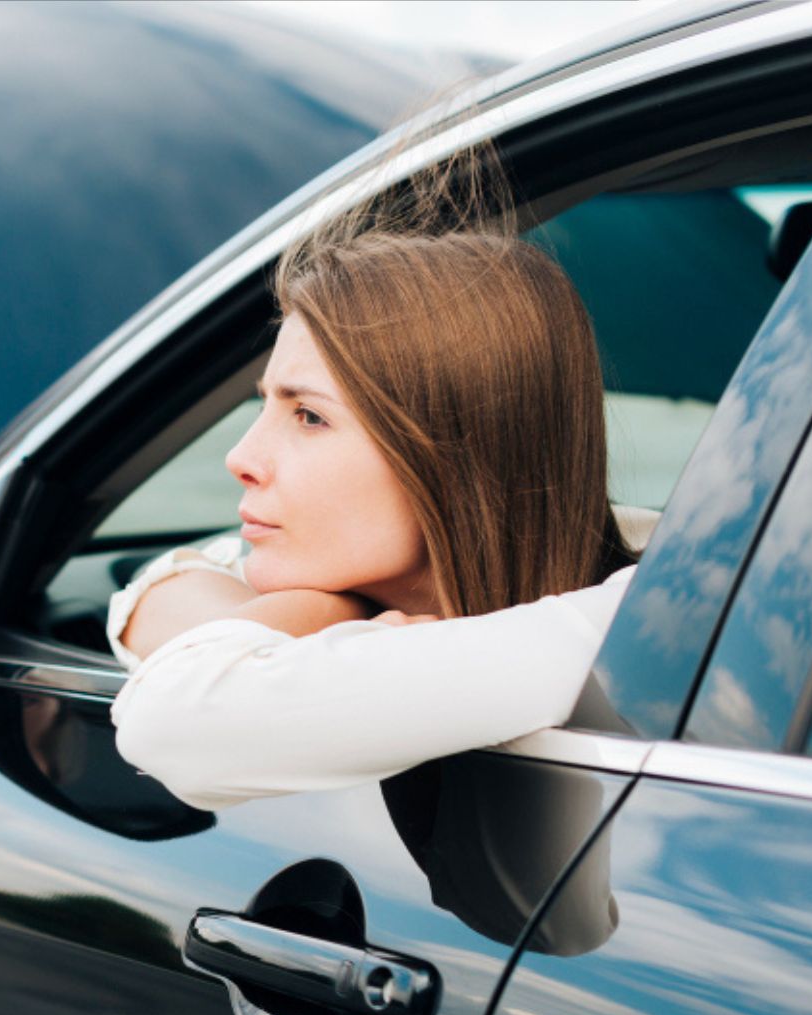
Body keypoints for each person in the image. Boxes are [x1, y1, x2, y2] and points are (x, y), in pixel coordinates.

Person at [107, 148, 653, 813]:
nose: (241, 458)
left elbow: (173, 722)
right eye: (265, 406)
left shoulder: (639, 616)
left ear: (459, 455)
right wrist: (326, 611)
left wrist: (290, 636)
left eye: (308, 415)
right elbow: (162, 583)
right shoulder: (610, 550)